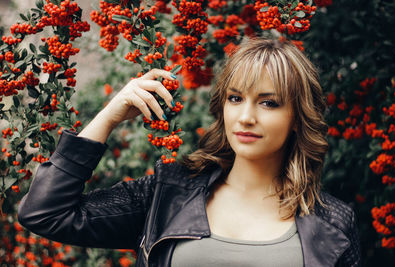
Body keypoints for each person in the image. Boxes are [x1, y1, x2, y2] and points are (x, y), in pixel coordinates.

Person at [18, 37, 361, 267]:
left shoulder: (332, 222)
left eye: (268, 103)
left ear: (298, 118)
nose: (246, 116)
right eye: (235, 98)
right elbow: (46, 214)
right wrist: (111, 115)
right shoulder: (167, 195)